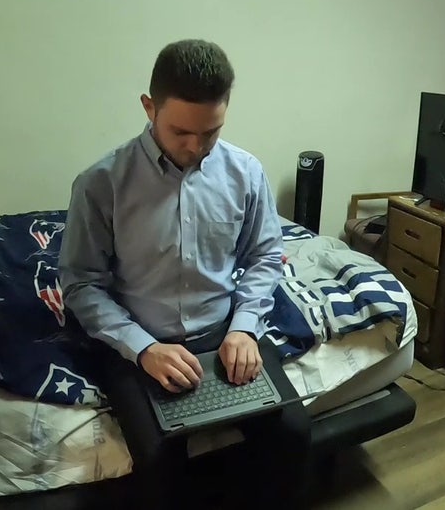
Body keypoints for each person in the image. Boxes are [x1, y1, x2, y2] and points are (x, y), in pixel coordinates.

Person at [58, 39, 311, 509]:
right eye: (181, 132)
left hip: (223, 331)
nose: (196, 148)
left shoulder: (246, 171)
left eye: (210, 133)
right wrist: (144, 349)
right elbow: (80, 283)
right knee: (157, 462)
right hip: (144, 342)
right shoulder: (101, 183)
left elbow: (264, 255)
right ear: (148, 107)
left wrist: (243, 329)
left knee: (292, 434)